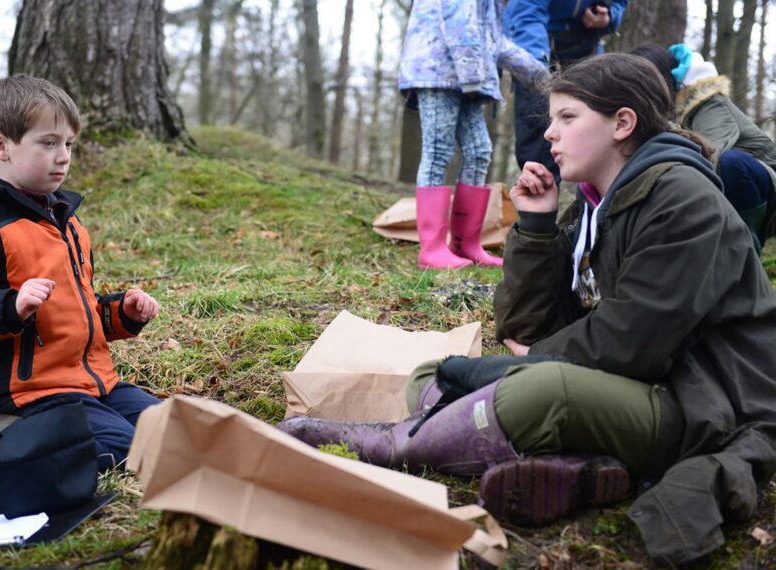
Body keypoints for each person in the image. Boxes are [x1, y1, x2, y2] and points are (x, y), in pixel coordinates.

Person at [278, 54, 776, 565]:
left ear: (622, 123)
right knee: (434, 374)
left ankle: (392, 446)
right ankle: (583, 468)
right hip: (643, 383)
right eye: (551, 120)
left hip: (706, 403)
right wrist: (536, 227)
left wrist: (520, 361)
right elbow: (524, 326)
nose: (551, 135)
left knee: (534, 389)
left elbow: (626, 344)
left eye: (568, 118)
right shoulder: (595, 203)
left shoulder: (682, 200)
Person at [0, 76, 162, 481]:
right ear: (1, 146)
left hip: (97, 382)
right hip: (31, 392)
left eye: (68, 144)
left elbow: (75, 309)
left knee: (173, 433)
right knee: (123, 453)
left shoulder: (67, 221)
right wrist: (11, 307)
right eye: (48, 143)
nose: (63, 157)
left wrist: (121, 314)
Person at [398, 0, 547, 269]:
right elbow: (459, 24)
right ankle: (431, 250)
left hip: (467, 77)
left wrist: (542, 76)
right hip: (437, 69)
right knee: (438, 150)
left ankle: (465, 244)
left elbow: (494, 41)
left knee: (479, 152)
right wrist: (475, 78)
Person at [630, 43, 776, 254]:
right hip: (734, 195)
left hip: (766, 195)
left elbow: (711, 158)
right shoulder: (663, 114)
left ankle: (744, 253)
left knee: (730, 164)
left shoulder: (709, 103)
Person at [504, 0, 628, 181]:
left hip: (585, 45)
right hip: (536, 40)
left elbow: (619, 3)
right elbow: (527, 13)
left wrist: (609, 16)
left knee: (595, 124)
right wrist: (537, 69)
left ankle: (591, 198)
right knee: (538, 128)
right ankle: (539, 195)